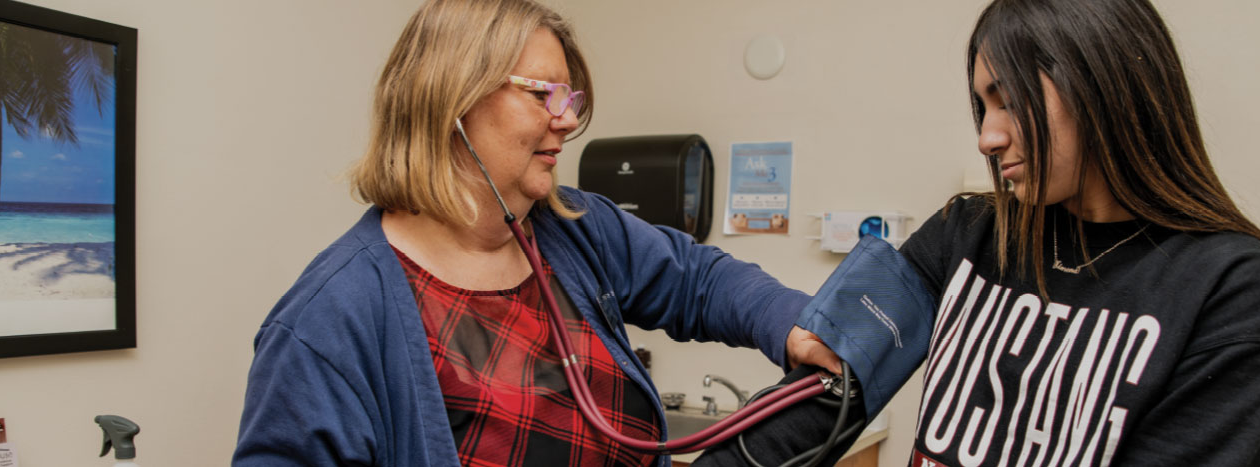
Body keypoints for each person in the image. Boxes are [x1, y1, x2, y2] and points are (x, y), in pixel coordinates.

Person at [232, 1, 839, 466]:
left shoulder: (575, 227)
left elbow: (699, 282)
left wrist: (796, 324)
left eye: (569, 96)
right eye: (543, 93)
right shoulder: (326, 323)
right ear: (450, 100)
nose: (568, 119)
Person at [782, 0, 1260, 466]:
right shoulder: (962, 232)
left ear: (1102, 81)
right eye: (984, 107)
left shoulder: (1236, 287)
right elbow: (816, 398)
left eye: (1008, 100)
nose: (987, 136)